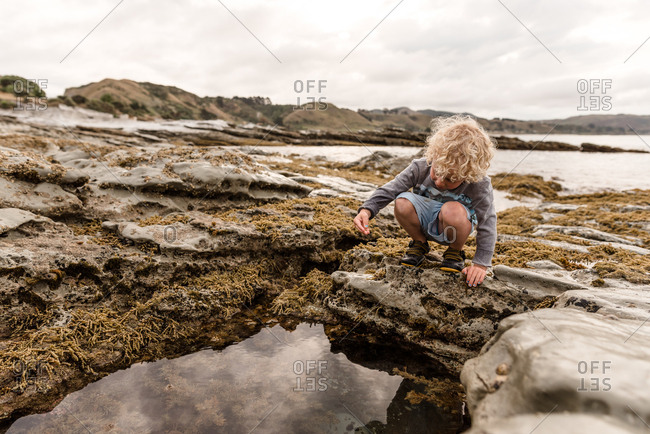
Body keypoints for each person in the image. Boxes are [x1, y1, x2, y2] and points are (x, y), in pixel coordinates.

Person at [353, 115, 497, 287]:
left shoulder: (479, 184)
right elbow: (390, 189)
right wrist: (367, 210)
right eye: (436, 171)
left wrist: (480, 265)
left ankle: (455, 252)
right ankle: (419, 244)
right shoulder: (420, 166)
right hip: (423, 222)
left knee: (452, 209)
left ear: (468, 174)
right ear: (434, 155)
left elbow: (487, 223)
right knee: (402, 201)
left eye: (450, 179)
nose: (439, 182)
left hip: (454, 228)